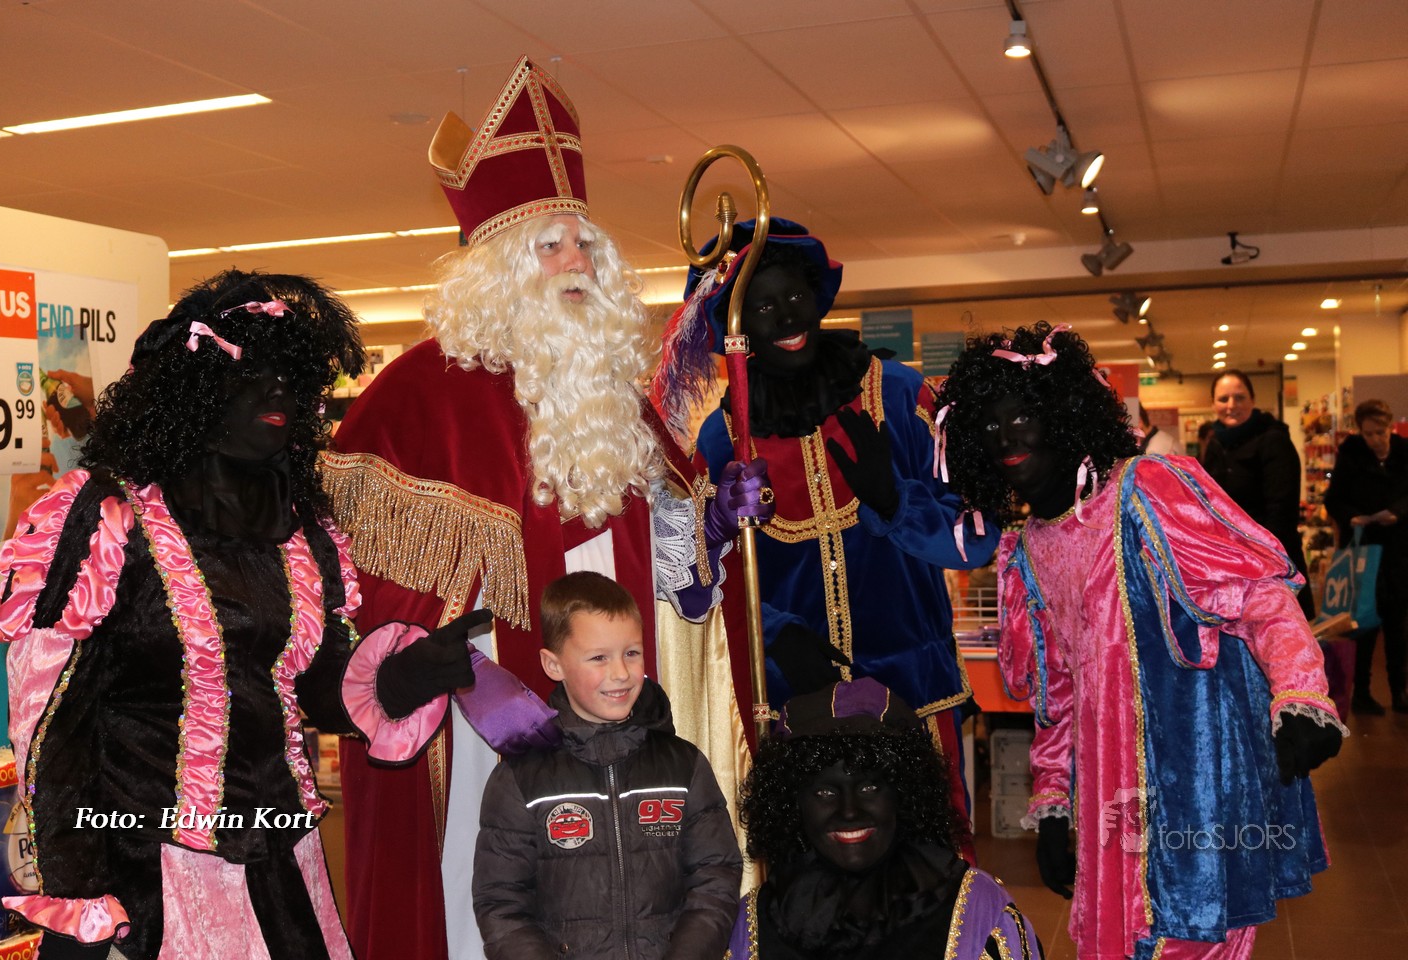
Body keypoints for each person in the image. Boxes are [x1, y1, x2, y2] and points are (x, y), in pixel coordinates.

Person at [323, 57, 767, 960]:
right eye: (549, 246)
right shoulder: (418, 394)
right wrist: (477, 682)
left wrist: (713, 524)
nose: (575, 263)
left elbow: (671, 574)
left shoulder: (613, 390)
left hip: (618, 706)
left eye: (583, 245)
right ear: (496, 271)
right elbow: (368, 598)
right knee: (489, 905)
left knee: (624, 898)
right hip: (486, 726)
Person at [0, 270, 501, 960]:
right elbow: (51, 721)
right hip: (148, 870)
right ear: (195, 389)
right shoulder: (108, 519)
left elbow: (309, 684)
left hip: (281, 864)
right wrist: (81, 895)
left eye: (290, 380)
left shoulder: (299, 532)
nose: (278, 395)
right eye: (252, 376)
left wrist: (405, 677)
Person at [935, 322, 1345, 960]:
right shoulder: (1031, 549)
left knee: (1187, 939)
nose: (1006, 436)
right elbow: (1059, 693)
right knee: (1119, 940)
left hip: (1198, 779)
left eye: (1022, 416)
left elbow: (1257, 594)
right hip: (1110, 797)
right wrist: (1053, 800)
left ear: (1063, 415)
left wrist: (1301, 694)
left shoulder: (1148, 488)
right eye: (988, 425)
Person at [655, 217, 997, 832]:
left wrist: (897, 503)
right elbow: (705, 573)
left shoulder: (899, 395)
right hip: (799, 705)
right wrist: (774, 634)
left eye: (794, 295)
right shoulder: (723, 437)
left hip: (915, 691)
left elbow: (977, 538)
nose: (787, 317)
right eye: (763, 307)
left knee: (931, 854)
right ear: (736, 330)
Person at [473, 571, 741, 960]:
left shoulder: (683, 766)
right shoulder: (520, 779)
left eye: (631, 653)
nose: (620, 673)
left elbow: (716, 877)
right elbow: (501, 904)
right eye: (599, 657)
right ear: (553, 665)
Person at [728, 676, 1041, 960]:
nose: (849, 811)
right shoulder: (757, 922)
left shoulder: (977, 913)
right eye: (825, 792)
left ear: (905, 794)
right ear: (792, 803)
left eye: (869, 787)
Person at [1201, 369, 1316, 619]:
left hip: (1272, 567)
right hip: (1230, 569)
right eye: (1223, 399)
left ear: (1252, 400)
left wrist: (1260, 559)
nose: (1231, 405)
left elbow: (1281, 512)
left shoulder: (1273, 440)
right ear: (1213, 404)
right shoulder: (1215, 445)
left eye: (1239, 397)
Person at [1324, 399, 1408, 715]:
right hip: (1363, 549)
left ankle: (1399, 690)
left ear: (1390, 427)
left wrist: (1398, 512)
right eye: (1369, 433)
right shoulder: (1351, 454)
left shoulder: (1404, 452)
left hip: (1398, 548)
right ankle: (1361, 691)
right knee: (1364, 620)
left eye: (1380, 432)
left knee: (1398, 623)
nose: (1375, 439)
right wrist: (1352, 517)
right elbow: (1334, 499)